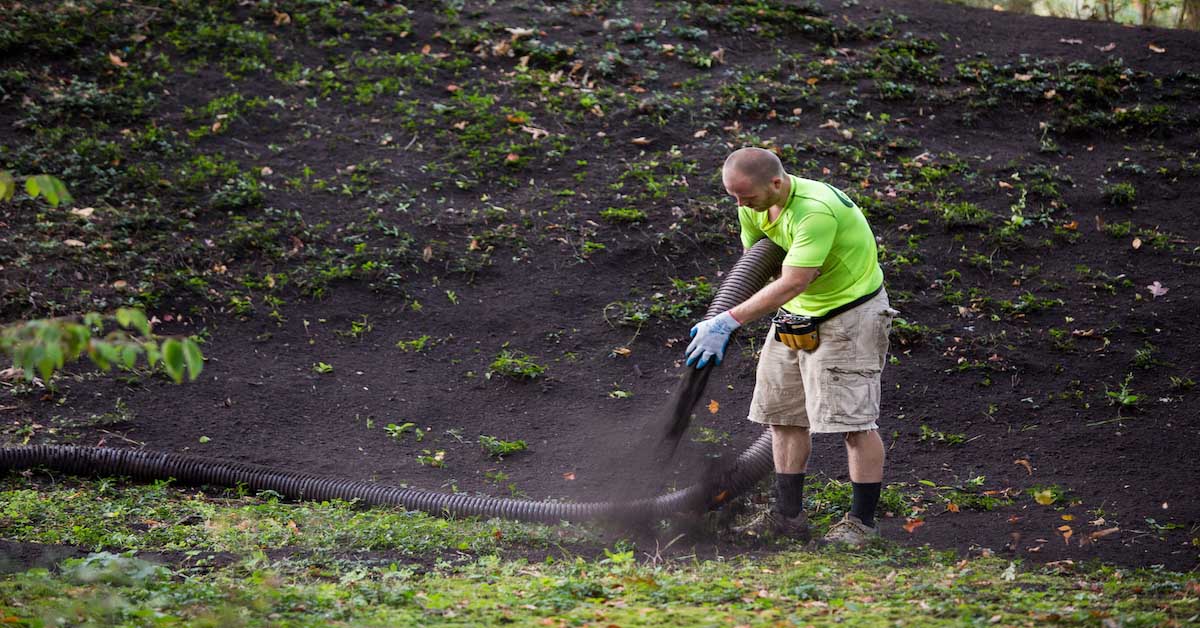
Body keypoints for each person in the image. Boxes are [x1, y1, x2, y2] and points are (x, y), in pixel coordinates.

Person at [684, 147, 897, 547]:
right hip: (796, 314)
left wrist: (729, 320)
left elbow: (795, 279)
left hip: (848, 314)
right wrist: (727, 316)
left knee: (853, 422)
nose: (740, 205)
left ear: (777, 183)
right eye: (734, 196)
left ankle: (862, 524)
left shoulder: (815, 210)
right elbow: (759, 264)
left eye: (745, 196)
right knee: (781, 417)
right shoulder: (752, 205)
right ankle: (786, 518)